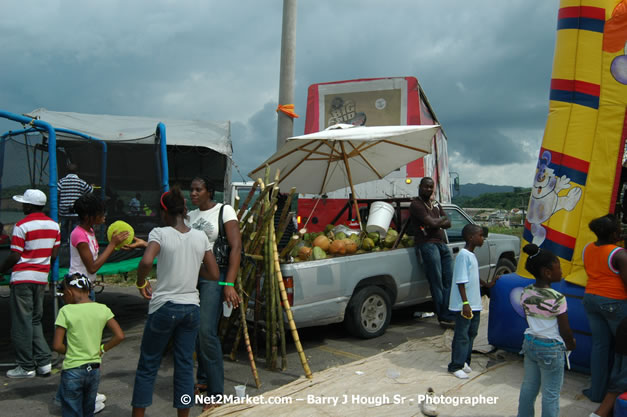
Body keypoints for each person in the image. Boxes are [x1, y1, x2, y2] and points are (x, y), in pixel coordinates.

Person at [131, 186, 219, 417]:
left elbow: (147, 261)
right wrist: (191, 269)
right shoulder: (200, 237)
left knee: (148, 364)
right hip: (191, 309)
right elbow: (214, 274)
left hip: (164, 306)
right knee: (184, 366)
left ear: (164, 212)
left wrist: (141, 283)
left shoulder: (159, 233)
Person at [54, 194, 129, 412]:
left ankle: (67, 394)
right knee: (83, 346)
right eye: (100, 213)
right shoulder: (79, 234)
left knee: (85, 344)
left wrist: (118, 245)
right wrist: (112, 245)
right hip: (76, 294)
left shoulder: (88, 231)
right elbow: (93, 266)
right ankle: (81, 395)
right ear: (89, 216)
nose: (104, 216)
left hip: (86, 291)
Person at [187, 176, 241, 411]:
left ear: (210, 191)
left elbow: (236, 247)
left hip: (214, 277)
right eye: (192, 190)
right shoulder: (190, 216)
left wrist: (228, 283)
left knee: (207, 331)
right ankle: (203, 381)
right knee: (197, 330)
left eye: (198, 190)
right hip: (192, 278)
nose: (194, 194)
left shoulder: (224, 211)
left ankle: (216, 394)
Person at [0, 189, 60, 378]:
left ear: (29, 206)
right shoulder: (54, 226)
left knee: (21, 322)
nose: (22, 206)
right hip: (41, 277)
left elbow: (16, 254)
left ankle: (26, 366)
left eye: (24, 203)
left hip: (23, 277)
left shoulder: (21, 225)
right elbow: (54, 254)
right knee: (35, 320)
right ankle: (43, 362)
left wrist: (1, 269)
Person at [52, 273, 124, 417]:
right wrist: (102, 349)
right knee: (88, 410)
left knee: (72, 411)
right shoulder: (102, 309)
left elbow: (57, 345)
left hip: (72, 370)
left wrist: (70, 351)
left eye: (63, 295)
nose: (63, 298)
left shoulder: (66, 311)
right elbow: (120, 336)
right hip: (94, 370)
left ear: (69, 292)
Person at [517, 244, 576, 417]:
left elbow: (528, 316)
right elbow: (565, 330)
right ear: (547, 272)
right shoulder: (558, 298)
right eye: (559, 268)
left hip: (530, 343)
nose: (562, 272)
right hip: (551, 348)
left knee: (528, 387)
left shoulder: (526, 292)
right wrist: (571, 344)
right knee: (550, 394)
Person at [582, 214, 627, 402]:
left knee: (600, 347)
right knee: (623, 349)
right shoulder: (619, 254)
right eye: (618, 230)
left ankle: (596, 392)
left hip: (590, 298)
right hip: (614, 301)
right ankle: (616, 393)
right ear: (613, 233)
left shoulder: (588, 248)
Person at [447, 224, 497, 379]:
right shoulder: (463, 256)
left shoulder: (471, 255)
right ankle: (455, 365)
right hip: (466, 304)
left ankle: (465, 361)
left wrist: (487, 284)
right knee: (462, 334)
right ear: (471, 237)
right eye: (480, 235)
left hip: (474, 303)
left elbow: (472, 276)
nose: (482, 238)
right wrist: (465, 304)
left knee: (471, 333)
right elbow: (461, 281)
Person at [410, 177, 456, 327]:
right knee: (436, 282)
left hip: (442, 244)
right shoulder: (416, 204)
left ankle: (447, 313)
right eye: (426, 187)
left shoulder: (435, 203)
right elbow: (432, 222)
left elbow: (448, 223)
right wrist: (438, 221)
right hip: (427, 245)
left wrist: (438, 221)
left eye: (431, 187)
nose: (428, 190)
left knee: (449, 280)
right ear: (420, 187)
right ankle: (443, 316)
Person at [58, 163, 93, 242]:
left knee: (63, 226)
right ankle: (73, 242)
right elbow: (89, 191)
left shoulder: (62, 181)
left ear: (66, 172)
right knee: (75, 226)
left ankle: (64, 243)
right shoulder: (80, 182)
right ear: (77, 172)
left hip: (64, 209)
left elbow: (56, 192)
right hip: (76, 209)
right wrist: (91, 186)